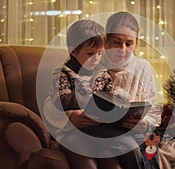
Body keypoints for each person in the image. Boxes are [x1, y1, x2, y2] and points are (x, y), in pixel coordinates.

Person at [43, 19, 123, 169]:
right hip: (71, 133)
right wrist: (91, 100)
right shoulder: (62, 73)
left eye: (100, 53)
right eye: (90, 54)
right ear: (73, 51)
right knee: (85, 159)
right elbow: (62, 100)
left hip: (99, 131)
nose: (96, 59)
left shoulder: (103, 74)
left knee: (113, 162)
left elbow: (112, 98)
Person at [91, 11, 163, 168]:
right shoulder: (93, 62)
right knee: (129, 144)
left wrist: (145, 123)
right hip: (100, 130)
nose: (122, 49)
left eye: (129, 44)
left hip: (133, 131)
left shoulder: (143, 67)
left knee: (150, 146)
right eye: (117, 42)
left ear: (136, 43)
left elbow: (154, 111)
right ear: (107, 40)